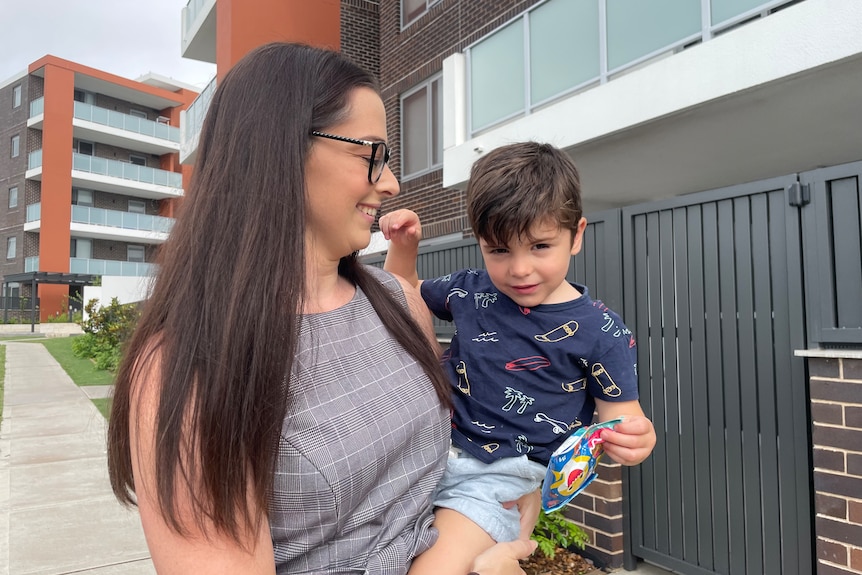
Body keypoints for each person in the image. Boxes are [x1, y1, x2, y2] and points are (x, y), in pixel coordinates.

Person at [106, 42, 538, 575]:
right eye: (371, 154)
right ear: (280, 149)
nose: (391, 183)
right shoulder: (190, 365)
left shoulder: (398, 303)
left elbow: (450, 472)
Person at [381, 142, 657, 573]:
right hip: (426, 450)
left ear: (577, 235)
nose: (520, 269)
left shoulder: (601, 331)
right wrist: (404, 246)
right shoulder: (470, 291)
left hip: (499, 477)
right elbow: (402, 298)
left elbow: (622, 419)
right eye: (500, 250)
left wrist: (637, 442)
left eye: (540, 247)